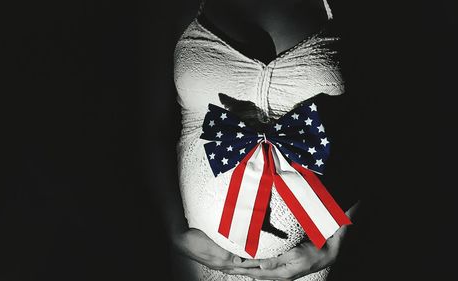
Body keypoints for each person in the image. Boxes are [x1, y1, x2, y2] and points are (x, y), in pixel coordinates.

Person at [145, 0, 361, 280]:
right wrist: (174, 231)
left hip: (310, 265)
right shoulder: (171, 9)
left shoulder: (348, 10)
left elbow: (374, 126)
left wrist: (336, 244)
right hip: (201, 259)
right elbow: (153, 127)